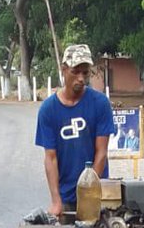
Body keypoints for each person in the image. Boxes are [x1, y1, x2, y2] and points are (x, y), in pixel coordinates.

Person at [35, 44, 115, 217]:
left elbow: (101, 153)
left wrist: (89, 194)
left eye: (85, 73)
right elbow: (51, 158)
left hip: (96, 194)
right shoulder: (48, 110)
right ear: (64, 70)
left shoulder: (100, 104)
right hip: (66, 197)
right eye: (75, 72)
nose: (80, 78)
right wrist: (56, 201)